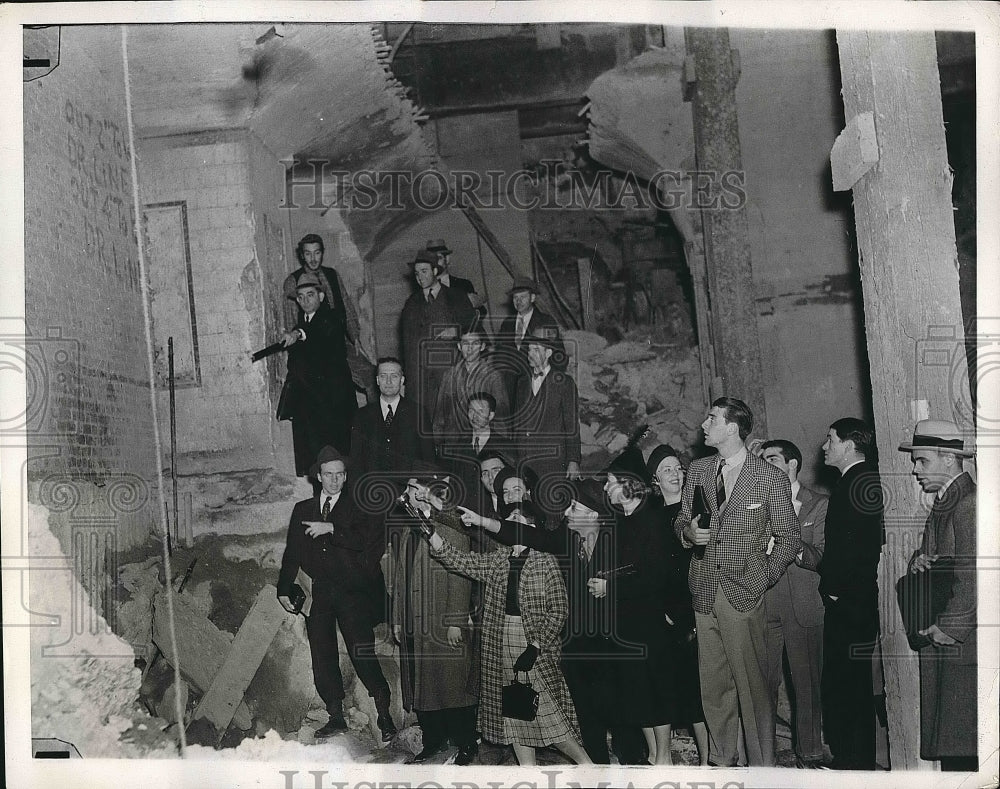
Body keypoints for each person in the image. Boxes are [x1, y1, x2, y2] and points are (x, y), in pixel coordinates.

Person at [459, 479, 646, 765]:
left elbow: (643, 578)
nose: (567, 511)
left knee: (620, 707)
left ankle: (634, 763)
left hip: (614, 640)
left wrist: (612, 588)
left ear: (593, 515)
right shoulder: (566, 539)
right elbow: (530, 535)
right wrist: (484, 521)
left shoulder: (619, 539)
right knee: (585, 712)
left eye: (574, 506)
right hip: (577, 641)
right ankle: (595, 770)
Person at [673, 397, 799, 767]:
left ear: (732, 428)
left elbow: (789, 537)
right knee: (713, 686)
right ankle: (722, 761)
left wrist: (762, 577)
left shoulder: (769, 477)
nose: (704, 424)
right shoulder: (697, 470)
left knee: (753, 688)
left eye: (712, 418)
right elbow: (680, 521)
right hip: (703, 589)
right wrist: (687, 534)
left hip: (743, 592)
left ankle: (763, 767)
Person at [426, 501, 591, 766]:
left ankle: (589, 767)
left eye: (517, 519)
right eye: (509, 518)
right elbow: (462, 562)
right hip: (500, 640)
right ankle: (528, 774)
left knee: (550, 715)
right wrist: (431, 536)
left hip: (533, 642)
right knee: (515, 714)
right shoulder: (499, 559)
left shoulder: (545, 560)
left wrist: (536, 646)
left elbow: (559, 610)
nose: (510, 523)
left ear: (531, 527)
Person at [276, 446, 397, 741]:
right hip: (320, 592)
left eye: (339, 475)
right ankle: (336, 715)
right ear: (319, 477)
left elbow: (367, 542)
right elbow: (292, 551)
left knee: (362, 650)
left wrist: (331, 527)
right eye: (328, 475)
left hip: (353, 591)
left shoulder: (359, 507)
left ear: (345, 477)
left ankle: (385, 714)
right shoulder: (302, 510)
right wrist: (283, 588)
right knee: (322, 653)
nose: (334, 481)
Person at [898, 419, 977, 772]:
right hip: (942, 632)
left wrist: (951, 625)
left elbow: (976, 572)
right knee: (952, 735)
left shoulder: (969, 503)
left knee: (964, 736)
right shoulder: (947, 501)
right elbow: (944, 555)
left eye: (922, 461)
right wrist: (921, 561)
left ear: (949, 459)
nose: (915, 470)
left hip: (961, 638)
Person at [594, 445, 676, 765]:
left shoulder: (652, 521)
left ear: (628, 484)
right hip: (625, 622)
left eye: (610, 481)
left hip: (648, 621)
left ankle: (664, 757)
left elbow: (654, 578)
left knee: (655, 690)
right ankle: (654, 754)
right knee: (637, 693)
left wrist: (609, 585)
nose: (605, 487)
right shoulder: (619, 522)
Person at [391, 471, 478, 765]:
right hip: (417, 619)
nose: (408, 492)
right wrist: (398, 619)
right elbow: (400, 577)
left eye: (414, 487)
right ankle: (434, 740)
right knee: (425, 686)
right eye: (408, 486)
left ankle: (467, 743)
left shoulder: (450, 524)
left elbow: (462, 574)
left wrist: (456, 619)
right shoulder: (408, 529)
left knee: (454, 683)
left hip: (444, 618)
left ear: (429, 491)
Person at [818, 417, 884, 770]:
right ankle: (850, 759)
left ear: (848, 445)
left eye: (830, 440)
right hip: (849, 599)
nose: (824, 446)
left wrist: (839, 592)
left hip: (852, 602)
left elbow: (860, 547)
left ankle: (855, 764)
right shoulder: (854, 480)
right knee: (845, 682)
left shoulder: (859, 482)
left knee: (849, 684)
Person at [759, 439, 829, 769]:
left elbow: (821, 558)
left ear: (792, 465)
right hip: (764, 606)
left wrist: (789, 541)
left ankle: (810, 755)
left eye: (771, 459)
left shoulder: (818, 504)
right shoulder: (753, 506)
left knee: (807, 687)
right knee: (763, 687)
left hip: (803, 607)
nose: (762, 466)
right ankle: (765, 759)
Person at [646, 444, 709, 765]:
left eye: (677, 467)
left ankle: (710, 759)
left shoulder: (698, 513)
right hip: (664, 615)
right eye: (666, 469)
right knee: (668, 685)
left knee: (700, 690)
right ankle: (663, 757)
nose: (675, 473)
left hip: (696, 609)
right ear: (655, 479)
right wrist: (664, 611)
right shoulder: (652, 518)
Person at [276, 273, 356, 476]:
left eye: (310, 295)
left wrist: (297, 334)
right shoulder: (303, 322)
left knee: (337, 460)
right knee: (316, 464)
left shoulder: (331, 318)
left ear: (321, 297)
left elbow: (318, 333)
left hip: (333, 405)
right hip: (312, 406)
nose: (304, 301)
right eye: (300, 297)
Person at [282, 233, 371, 398]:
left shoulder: (332, 275)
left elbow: (346, 306)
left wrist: (354, 337)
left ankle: (372, 422)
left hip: (339, 341)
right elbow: (291, 322)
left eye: (317, 253)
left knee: (370, 376)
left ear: (322, 253)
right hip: (313, 347)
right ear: (302, 256)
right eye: (308, 254)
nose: (313, 258)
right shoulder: (293, 282)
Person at [399, 250, 476, 425]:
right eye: (417, 273)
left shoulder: (456, 297)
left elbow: (474, 328)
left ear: (435, 271)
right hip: (420, 376)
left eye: (424, 271)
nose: (419, 277)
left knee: (452, 418)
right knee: (423, 421)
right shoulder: (411, 303)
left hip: (448, 371)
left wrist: (455, 331)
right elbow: (406, 343)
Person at [511, 332, 582, 484]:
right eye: (529, 350)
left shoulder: (564, 382)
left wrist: (573, 460)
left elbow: (572, 424)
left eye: (536, 350)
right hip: (525, 459)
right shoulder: (522, 382)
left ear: (548, 353)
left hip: (553, 461)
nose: (530, 354)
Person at [349, 357, 433, 478]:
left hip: (409, 492)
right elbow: (356, 463)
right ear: (377, 380)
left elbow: (428, 459)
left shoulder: (418, 413)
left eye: (394, 376)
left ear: (402, 380)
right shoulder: (362, 416)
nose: (388, 382)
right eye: (383, 376)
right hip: (373, 493)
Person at [432, 320, 510, 444]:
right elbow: (440, 416)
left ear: (482, 346)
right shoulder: (449, 375)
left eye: (475, 343)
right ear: (459, 346)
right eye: (465, 343)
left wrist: (498, 448)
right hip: (453, 444)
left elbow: (501, 418)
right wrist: (436, 444)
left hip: (480, 444)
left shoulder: (493, 377)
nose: (469, 349)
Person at [495, 276, 558, 403]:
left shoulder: (545, 321)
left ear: (533, 298)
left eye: (523, 297)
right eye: (515, 298)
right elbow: (500, 355)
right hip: (511, 387)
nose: (518, 301)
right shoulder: (507, 324)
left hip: (536, 383)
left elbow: (557, 354)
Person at [426, 238, 482, 311]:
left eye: (439, 258)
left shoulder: (463, 285)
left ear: (447, 259)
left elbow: (481, 312)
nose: (435, 263)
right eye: (430, 259)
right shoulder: (422, 288)